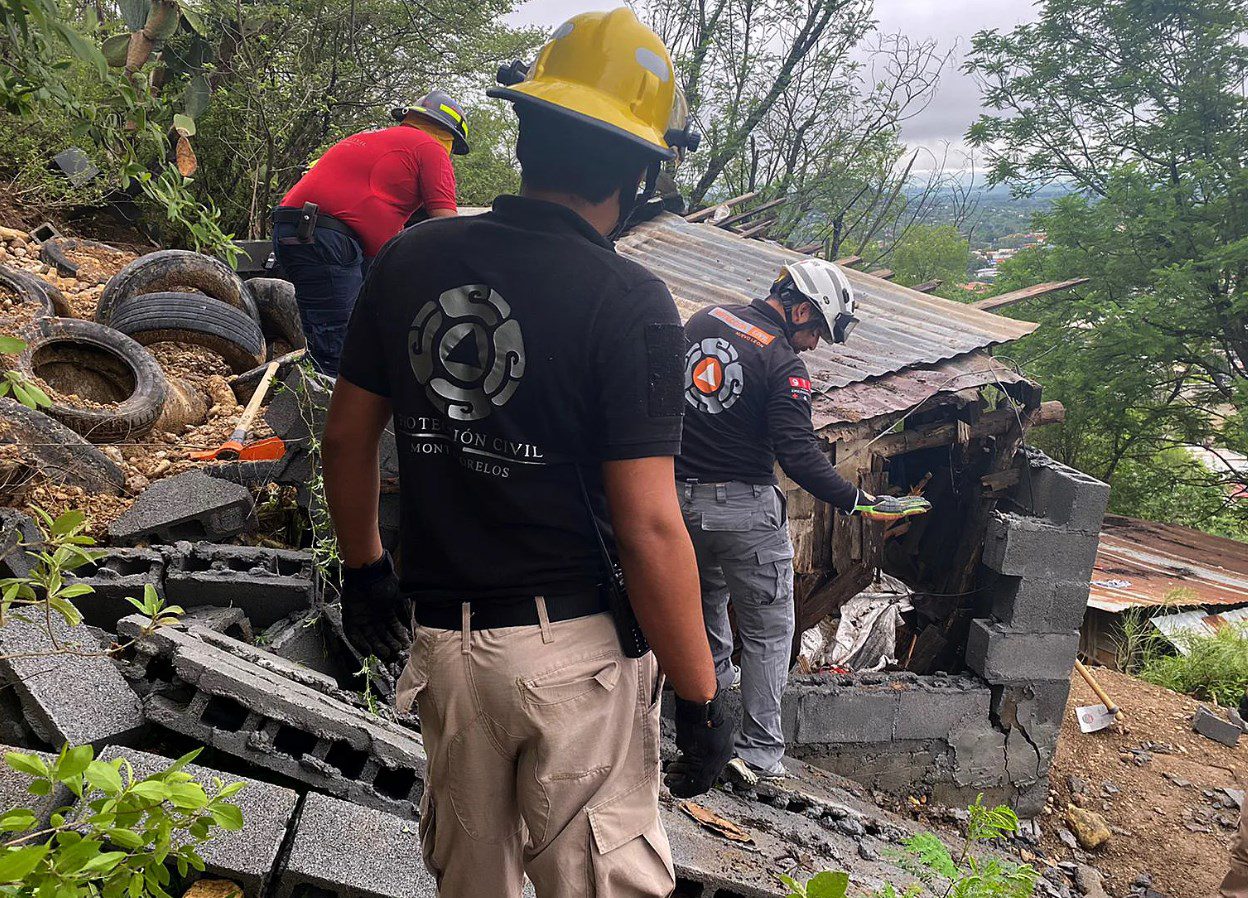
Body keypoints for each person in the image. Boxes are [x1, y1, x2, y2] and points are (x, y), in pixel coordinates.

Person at [320, 10, 732, 897]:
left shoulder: (410, 259)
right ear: (641, 167)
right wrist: (700, 698)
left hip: (448, 651)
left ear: (526, 128)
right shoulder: (630, 301)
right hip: (573, 659)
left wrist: (365, 571)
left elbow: (349, 435)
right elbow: (650, 525)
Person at [673, 258, 931, 785]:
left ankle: (709, 737)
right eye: (816, 329)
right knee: (769, 631)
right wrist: (863, 503)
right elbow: (799, 456)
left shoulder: (702, 322)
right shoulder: (785, 366)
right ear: (798, 307)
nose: (814, 343)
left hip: (679, 507)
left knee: (707, 622)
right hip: (745, 512)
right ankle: (760, 754)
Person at [271, 90, 469, 376]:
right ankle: (322, 415)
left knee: (339, 334)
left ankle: (310, 399)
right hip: (327, 238)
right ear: (449, 136)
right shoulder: (431, 148)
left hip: (299, 230)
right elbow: (446, 227)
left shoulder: (378, 140)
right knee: (341, 348)